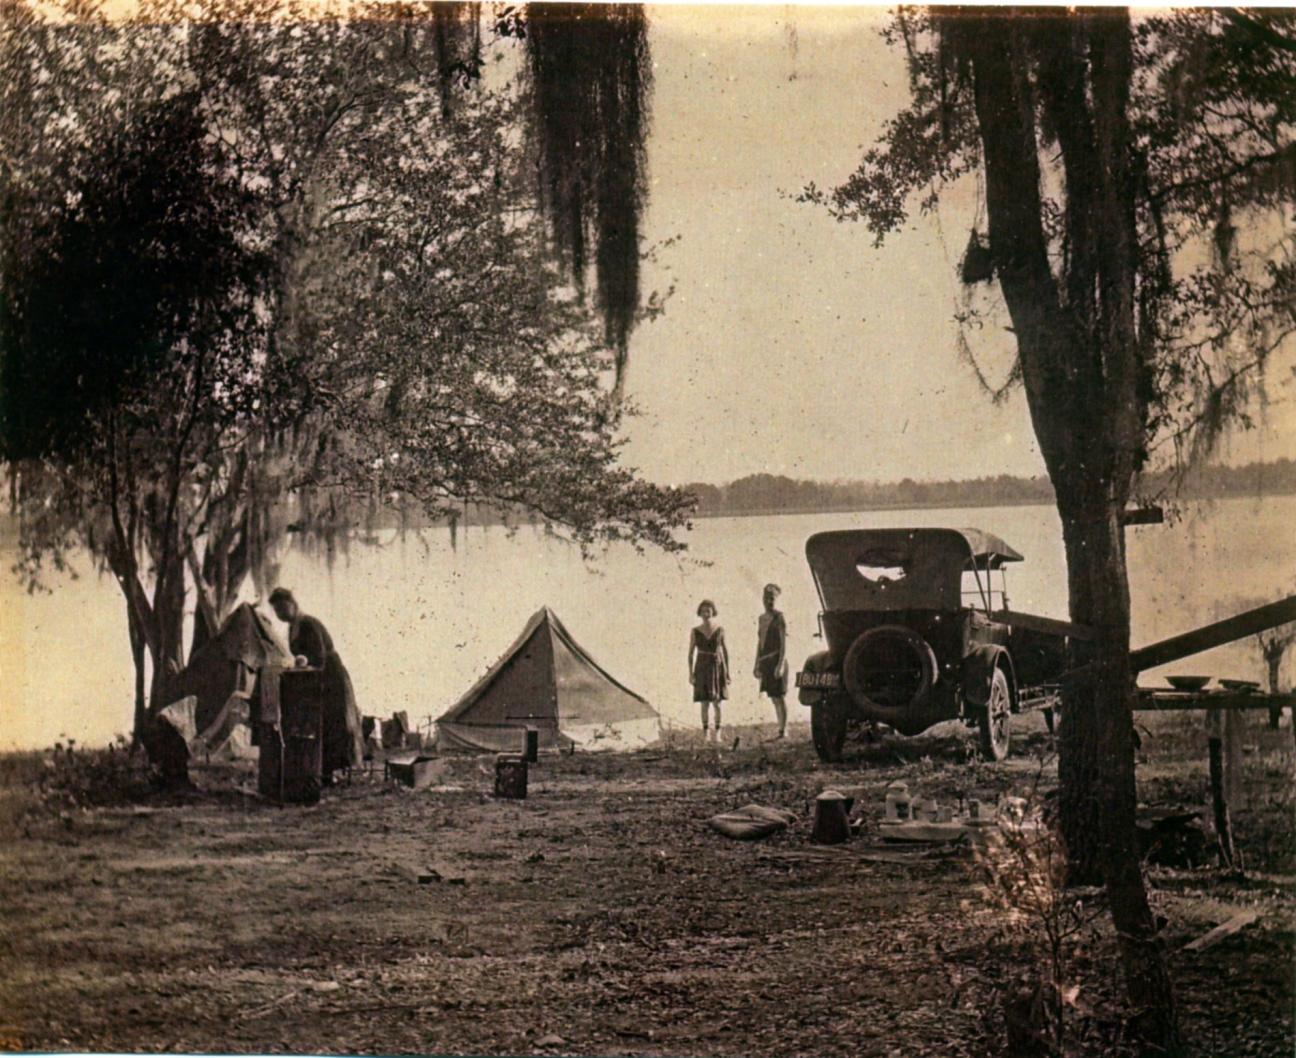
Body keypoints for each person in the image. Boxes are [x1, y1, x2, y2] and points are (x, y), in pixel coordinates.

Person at [267, 588, 364, 784]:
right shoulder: (292, 628)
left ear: (293, 604)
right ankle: (318, 771)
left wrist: (306, 663)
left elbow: (318, 655)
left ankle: (329, 774)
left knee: (331, 723)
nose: (280, 614)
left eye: (283, 608)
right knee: (317, 724)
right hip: (315, 677)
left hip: (330, 676)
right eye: (277, 611)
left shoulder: (308, 623)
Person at [689, 599, 729, 742]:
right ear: (699, 613)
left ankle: (717, 732)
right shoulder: (695, 631)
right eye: (703, 610)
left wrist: (727, 673)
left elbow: (724, 651)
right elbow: (690, 653)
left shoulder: (720, 630)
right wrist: (690, 674)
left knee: (717, 702)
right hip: (701, 667)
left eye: (709, 610)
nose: (706, 613)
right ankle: (705, 732)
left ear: (713, 611)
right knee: (704, 702)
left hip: (716, 666)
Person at [754, 583, 789, 738]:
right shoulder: (761, 619)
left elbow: (783, 643)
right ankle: (780, 727)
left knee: (780, 696)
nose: (769, 601)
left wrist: (780, 664)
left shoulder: (779, 617)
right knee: (773, 698)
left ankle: (783, 729)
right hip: (765, 661)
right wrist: (756, 664)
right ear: (762, 599)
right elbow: (760, 642)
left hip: (777, 660)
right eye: (767, 598)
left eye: (772, 598)